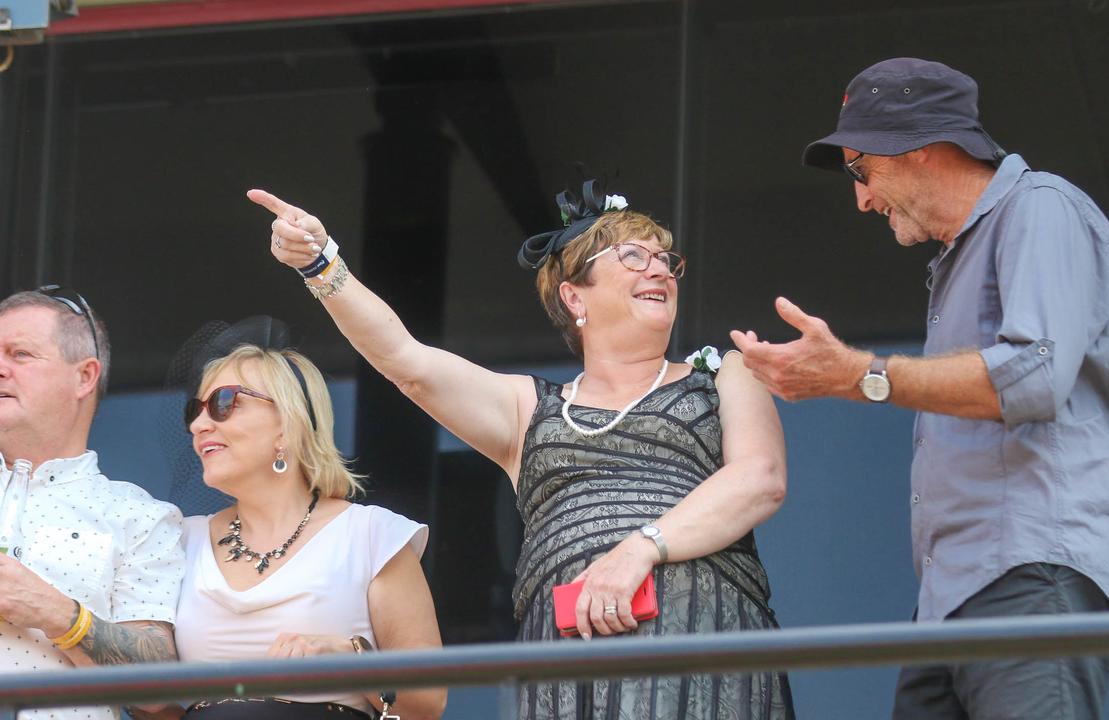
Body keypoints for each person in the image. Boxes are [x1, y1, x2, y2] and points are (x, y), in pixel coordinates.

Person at [248, 181, 795, 719]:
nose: (658, 269)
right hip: (569, 670)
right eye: (633, 255)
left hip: (706, 648)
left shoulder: (726, 376)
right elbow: (406, 362)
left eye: (665, 260)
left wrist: (640, 549)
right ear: (574, 296)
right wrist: (321, 264)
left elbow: (760, 477)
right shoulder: (527, 409)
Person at [731, 57, 1109, 719]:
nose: (861, 198)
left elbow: (1032, 377)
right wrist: (851, 379)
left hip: (1031, 574)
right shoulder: (957, 261)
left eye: (862, 172)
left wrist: (860, 375)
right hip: (953, 601)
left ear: (919, 150)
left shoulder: (1040, 206)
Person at [171, 342, 446, 720]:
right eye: (195, 410)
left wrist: (349, 657)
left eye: (223, 403)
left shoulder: (370, 536)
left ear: (287, 423)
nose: (199, 425)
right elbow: (149, 703)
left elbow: (427, 703)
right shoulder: (180, 542)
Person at [0, 287, 185, 720]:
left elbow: (158, 696)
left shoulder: (139, 517)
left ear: (85, 377)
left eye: (20, 354)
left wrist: (54, 612)